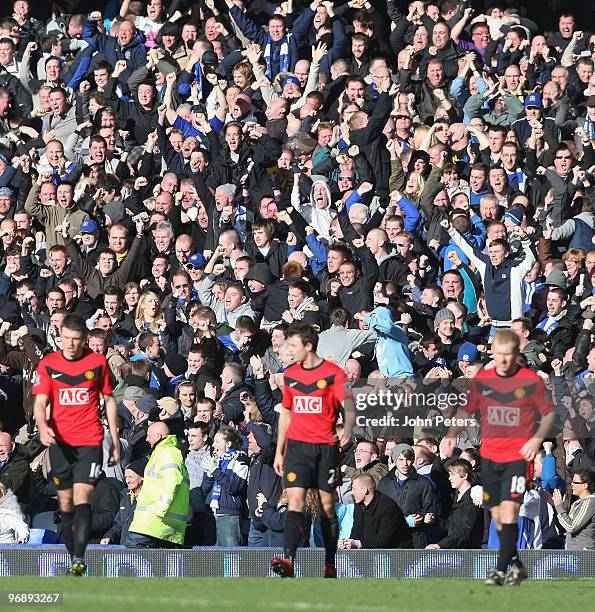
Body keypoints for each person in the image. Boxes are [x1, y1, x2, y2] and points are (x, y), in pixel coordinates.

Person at [443, 330, 555, 586]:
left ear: (517, 354)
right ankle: (516, 563)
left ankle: (501, 570)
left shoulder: (530, 381)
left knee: (509, 512)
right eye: (499, 355)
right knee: (496, 514)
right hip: (490, 458)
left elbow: (549, 414)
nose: (504, 360)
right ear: (493, 354)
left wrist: (536, 440)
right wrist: (451, 435)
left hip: (517, 458)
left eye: (509, 355)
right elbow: (466, 410)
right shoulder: (483, 380)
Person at [33, 313, 119, 576]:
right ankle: (72, 552)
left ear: (84, 339)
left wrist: (114, 439)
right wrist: (43, 426)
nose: (70, 344)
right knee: (66, 504)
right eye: (66, 339)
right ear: (60, 338)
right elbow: (39, 402)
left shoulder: (98, 363)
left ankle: (78, 559)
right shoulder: (48, 364)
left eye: (76, 339)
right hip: (61, 444)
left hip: (90, 441)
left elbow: (110, 400)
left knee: (83, 500)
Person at [272, 324, 355, 578]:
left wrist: (348, 428)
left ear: (308, 346)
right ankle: (288, 560)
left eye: (294, 345)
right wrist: (279, 451)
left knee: (327, 505)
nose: (289, 350)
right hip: (297, 448)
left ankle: (330, 563)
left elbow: (348, 406)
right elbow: (286, 413)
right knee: (294, 502)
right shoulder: (291, 375)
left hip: (325, 448)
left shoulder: (333, 374)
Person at [126, 422, 190, 548]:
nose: (146, 439)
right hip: (159, 525)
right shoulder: (164, 453)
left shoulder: (168, 452)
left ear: (158, 436)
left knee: (134, 557)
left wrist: (160, 509)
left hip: (154, 523)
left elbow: (173, 482)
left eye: (149, 436)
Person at [425, 459, 484, 550]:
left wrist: (440, 545)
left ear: (464, 475)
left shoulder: (472, 500)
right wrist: (435, 521)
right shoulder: (457, 498)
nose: (449, 478)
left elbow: (464, 531)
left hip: (468, 554)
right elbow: (449, 526)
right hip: (457, 551)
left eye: (453, 474)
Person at [341, 474, 409, 549]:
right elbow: (357, 531)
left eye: (354, 489)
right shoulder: (359, 505)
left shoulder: (388, 507)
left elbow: (386, 540)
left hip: (397, 554)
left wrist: (359, 544)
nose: (352, 492)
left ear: (364, 490)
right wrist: (349, 543)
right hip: (370, 553)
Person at [552, 469, 595, 551]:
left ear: (585, 485)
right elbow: (565, 526)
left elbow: (571, 527)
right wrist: (557, 507)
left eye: (575, 482)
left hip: (584, 555)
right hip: (574, 553)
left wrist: (559, 507)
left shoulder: (590, 502)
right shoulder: (578, 503)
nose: (572, 484)